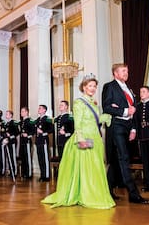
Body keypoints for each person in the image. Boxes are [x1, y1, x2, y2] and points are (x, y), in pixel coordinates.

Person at [42, 74, 115, 209]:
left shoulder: (94, 103)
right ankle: (85, 194)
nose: (92, 88)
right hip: (85, 138)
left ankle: (93, 193)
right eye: (90, 86)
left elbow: (97, 120)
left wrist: (109, 115)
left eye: (94, 86)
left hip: (96, 139)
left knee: (94, 169)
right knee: (86, 168)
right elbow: (78, 123)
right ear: (84, 87)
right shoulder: (79, 102)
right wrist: (80, 139)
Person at [102, 63, 149, 204]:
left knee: (117, 161)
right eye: (123, 71)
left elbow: (134, 109)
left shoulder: (129, 89)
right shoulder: (109, 86)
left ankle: (107, 191)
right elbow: (107, 107)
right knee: (124, 158)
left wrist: (134, 128)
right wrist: (124, 111)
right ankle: (133, 194)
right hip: (116, 127)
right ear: (115, 73)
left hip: (128, 127)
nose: (126, 73)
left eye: (127, 71)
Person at [35, 105, 54, 182]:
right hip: (38, 141)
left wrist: (43, 132)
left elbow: (51, 129)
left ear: (44, 110)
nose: (38, 109)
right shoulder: (37, 120)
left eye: (40, 108)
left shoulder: (47, 119)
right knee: (40, 159)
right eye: (38, 108)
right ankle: (42, 175)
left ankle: (46, 176)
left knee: (45, 159)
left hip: (44, 141)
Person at [19, 107, 35, 179]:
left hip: (27, 141)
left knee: (28, 158)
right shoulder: (22, 121)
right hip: (22, 141)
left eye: (22, 111)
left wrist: (28, 135)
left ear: (27, 112)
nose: (21, 113)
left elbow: (33, 130)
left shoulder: (30, 120)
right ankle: (24, 173)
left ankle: (29, 174)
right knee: (23, 158)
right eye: (21, 111)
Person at [4, 110, 19, 177]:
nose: (6, 115)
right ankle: (11, 171)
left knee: (13, 157)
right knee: (9, 156)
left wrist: (10, 135)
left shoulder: (14, 122)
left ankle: (15, 172)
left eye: (7, 114)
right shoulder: (6, 123)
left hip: (12, 141)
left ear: (11, 115)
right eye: (6, 114)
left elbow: (17, 132)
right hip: (8, 142)